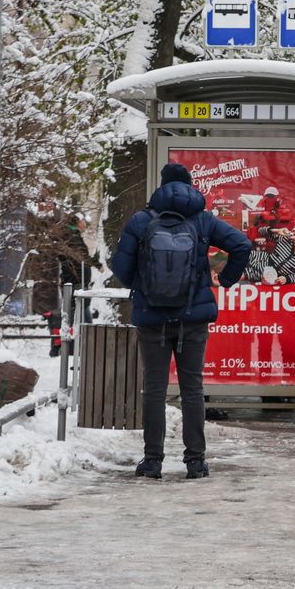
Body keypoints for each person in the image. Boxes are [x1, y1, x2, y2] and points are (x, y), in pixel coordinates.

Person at [109, 162, 252, 481]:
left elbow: (120, 269)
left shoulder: (142, 221)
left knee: (155, 390)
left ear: (161, 187)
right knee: (192, 388)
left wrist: (143, 286)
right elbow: (242, 245)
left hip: (152, 320)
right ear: (189, 187)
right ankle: (196, 462)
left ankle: (152, 461)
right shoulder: (203, 221)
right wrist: (224, 279)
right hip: (194, 318)